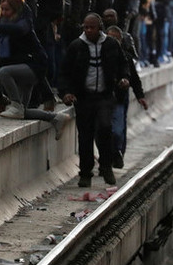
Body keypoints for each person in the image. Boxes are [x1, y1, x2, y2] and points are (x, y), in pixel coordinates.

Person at [0, 0, 70, 136]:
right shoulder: (6, 23)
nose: (4, 13)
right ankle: (56, 118)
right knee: (22, 111)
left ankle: (15, 103)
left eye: (7, 10)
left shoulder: (24, 21)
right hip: (22, 66)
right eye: (2, 9)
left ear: (15, 9)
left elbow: (19, 30)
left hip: (34, 65)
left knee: (4, 73)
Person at [60, 14, 129, 187]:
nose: (88, 31)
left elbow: (123, 64)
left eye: (92, 28)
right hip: (84, 98)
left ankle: (106, 166)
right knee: (85, 136)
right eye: (86, 28)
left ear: (100, 28)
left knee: (105, 128)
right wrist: (67, 92)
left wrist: (123, 78)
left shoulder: (111, 45)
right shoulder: (76, 46)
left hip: (105, 96)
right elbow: (65, 73)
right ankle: (85, 173)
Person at [106, 26, 147, 169]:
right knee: (104, 131)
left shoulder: (125, 57)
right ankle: (108, 159)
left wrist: (140, 96)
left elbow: (134, 78)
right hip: (102, 99)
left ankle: (118, 153)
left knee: (118, 130)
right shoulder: (98, 54)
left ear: (120, 40)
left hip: (119, 99)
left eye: (115, 38)